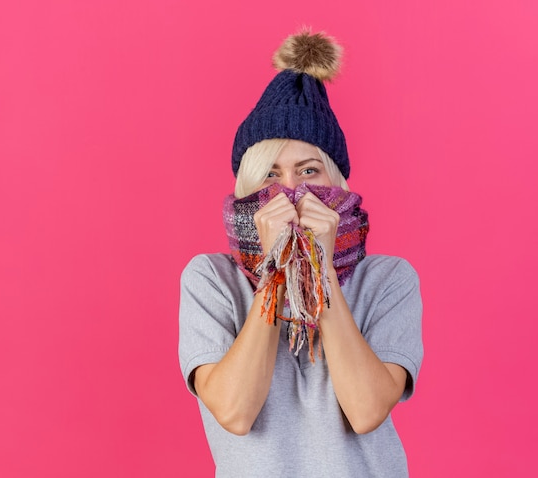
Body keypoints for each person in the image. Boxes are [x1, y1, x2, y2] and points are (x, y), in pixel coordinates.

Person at [179, 29, 423, 477]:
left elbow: (367, 410)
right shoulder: (211, 279)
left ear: (335, 183)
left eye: (309, 170)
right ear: (249, 190)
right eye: (270, 176)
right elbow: (234, 411)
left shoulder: (389, 279)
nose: (290, 192)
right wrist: (277, 269)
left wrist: (319, 269)